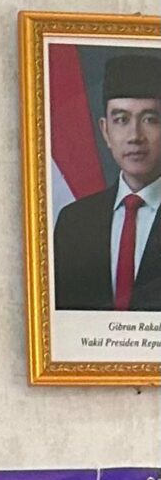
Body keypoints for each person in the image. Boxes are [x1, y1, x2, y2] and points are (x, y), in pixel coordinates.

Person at [52, 50, 161, 313]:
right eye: (121, 120)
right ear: (105, 131)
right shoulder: (73, 222)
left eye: (150, 119)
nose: (135, 136)